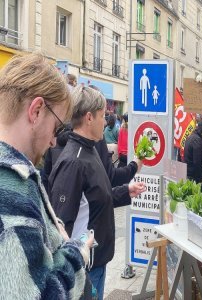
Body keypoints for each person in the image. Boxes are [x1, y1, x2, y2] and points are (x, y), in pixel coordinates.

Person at [0, 53, 92, 298]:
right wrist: (76, 252)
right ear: (37, 110)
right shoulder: (13, 185)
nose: (53, 141)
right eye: (57, 127)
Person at [48, 86, 146, 299]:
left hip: (96, 261)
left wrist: (125, 191)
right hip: (84, 267)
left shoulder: (91, 150)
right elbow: (60, 224)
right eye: (103, 116)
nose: (107, 120)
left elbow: (97, 197)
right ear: (89, 117)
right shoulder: (73, 162)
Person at [184, 119, 202, 184]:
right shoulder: (198, 140)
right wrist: (199, 179)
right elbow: (197, 162)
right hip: (193, 177)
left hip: (188, 173)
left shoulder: (191, 136)